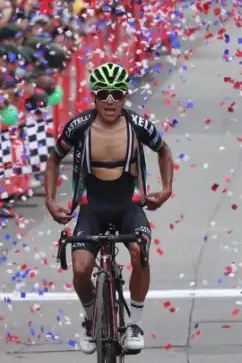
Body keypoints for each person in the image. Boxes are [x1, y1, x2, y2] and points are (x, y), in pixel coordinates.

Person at [43, 62, 175, 353]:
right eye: (104, 94)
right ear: (94, 97)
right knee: (80, 268)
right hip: (93, 206)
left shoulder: (138, 125)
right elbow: (53, 159)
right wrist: (51, 202)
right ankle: (91, 320)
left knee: (140, 253)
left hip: (128, 204)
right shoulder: (79, 126)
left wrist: (165, 190)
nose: (110, 101)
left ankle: (135, 323)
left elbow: (163, 151)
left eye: (117, 94)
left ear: (126, 96)